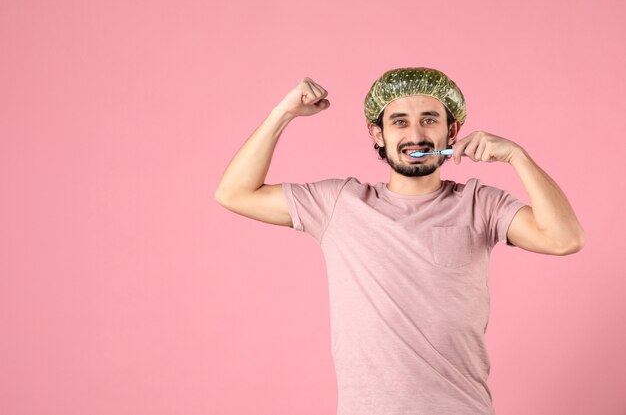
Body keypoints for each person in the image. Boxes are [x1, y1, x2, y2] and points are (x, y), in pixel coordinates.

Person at [214, 67, 585, 415]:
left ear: (451, 132)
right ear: (378, 134)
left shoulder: (480, 204)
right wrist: (284, 113)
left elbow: (564, 238)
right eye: (399, 122)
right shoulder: (338, 204)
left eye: (429, 119)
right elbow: (234, 193)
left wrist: (517, 157)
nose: (415, 134)